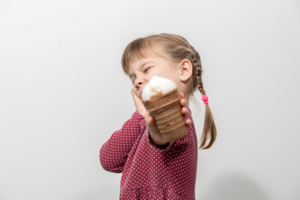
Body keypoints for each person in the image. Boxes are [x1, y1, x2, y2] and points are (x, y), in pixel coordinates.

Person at [99, 33, 217, 199]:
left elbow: (165, 134)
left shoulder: (178, 116)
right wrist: (140, 116)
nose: (137, 81)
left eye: (146, 69)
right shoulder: (143, 122)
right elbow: (109, 160)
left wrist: (157, 133)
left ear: (183, 70)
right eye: (132, 79)